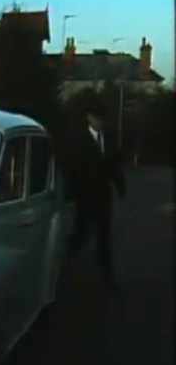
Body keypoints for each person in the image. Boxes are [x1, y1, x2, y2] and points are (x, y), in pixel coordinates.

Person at [65, 96, 127, 289]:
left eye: (102, 119)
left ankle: (107, 278)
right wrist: (71, 195)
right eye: (97, 118)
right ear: (89, 118)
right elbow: (72, 170)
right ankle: (63, 263)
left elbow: (114, 165)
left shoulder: (108, 139)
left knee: (104, 237)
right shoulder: (79, 141)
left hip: (103, 196)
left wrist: (120, 186)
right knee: (81, 234)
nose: (100, 122)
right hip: (85, 196)